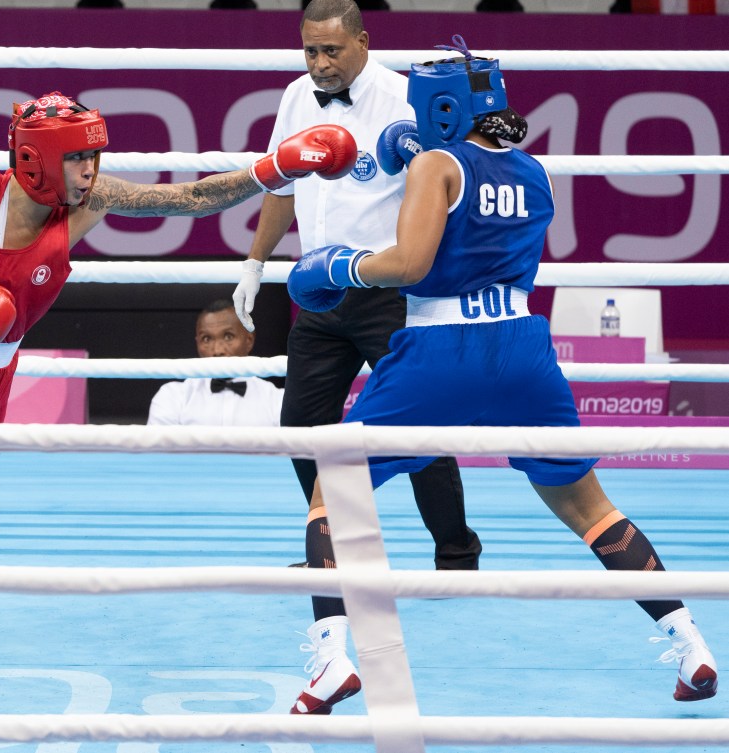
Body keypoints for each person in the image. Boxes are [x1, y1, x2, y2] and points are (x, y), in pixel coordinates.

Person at [0, 91, 357, 714]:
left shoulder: (91, 200)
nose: (92, 173)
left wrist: (278, 168)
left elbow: (190, 198)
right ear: (39, 160)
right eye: (79, 159)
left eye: (95, 158)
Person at [285, 35, 718, 713]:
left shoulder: (436, 164)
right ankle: (691, 643)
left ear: (446, 107)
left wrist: (336, 265)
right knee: (591, 509)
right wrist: (414, 158)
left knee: (331, 491)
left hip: (439, 351)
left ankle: (331, 659)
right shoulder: (533, 169)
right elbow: (476, 208)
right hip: (522, 352)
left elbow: (409, 264)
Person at [232, 0, 481, 675]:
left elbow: (447, 188)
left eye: (331, 52)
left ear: (362, 42)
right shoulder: (294, 97)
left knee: (415, 428)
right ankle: (336, 545)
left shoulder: (408, 98)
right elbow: (281, 184)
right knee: (303, 423)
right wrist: (256, 261)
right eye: (309, 52)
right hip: (318, 289)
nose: (319, 64)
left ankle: (455, 552)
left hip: (390, 288)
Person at [147, 299, 283, 426]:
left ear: (249, 340)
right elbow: (160, 451)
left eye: (228, 336)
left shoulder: (277, 400)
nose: (217, 350)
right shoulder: (173, 397)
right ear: (197, 343)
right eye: (207, 339)